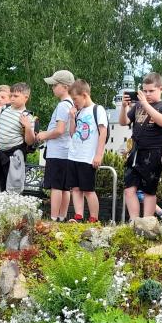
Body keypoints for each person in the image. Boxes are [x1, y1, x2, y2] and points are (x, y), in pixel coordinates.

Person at [119, 72, 162, 220]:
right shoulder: (137, 106)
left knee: (149, 190)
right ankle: (135, 221)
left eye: (151, 91)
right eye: (145, 91)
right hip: (135, 151)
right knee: (129, 188)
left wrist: (144, 104)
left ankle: (148, 222)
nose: (147, 94)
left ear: (161, 89)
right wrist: (124, 107)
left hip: (153, 152)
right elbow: (123, 122)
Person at [66, 79, 107, 223]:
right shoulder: (78, 112)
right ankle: (78, 216)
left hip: (87, 157)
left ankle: (93, 218)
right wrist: (72, 117)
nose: (74, 102)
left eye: (75, 99)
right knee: (75, 189)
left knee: (88, 190)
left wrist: (98, 154)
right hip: (74, 155)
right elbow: (72, 133)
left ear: (84, 95)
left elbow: (103, 132)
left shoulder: (98, 109)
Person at [38, 70, 75, 221]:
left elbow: (59, 130)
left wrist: (43, 135)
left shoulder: (62, 106)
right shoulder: (72, 104)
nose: (52, 88)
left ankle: (53, 218)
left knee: (56, 187)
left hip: (57, 151)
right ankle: (62, 216)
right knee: (65, 187)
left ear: (65, 87)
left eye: (55, 85)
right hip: (67, 151)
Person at [0, 82, 35, 194]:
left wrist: (28, 127)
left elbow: (30, 141)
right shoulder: (4, 109)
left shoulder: (27, 116)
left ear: (25, 98)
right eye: (11, 96)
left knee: (13, 186)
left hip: (13, 156)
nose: (12, 98)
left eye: (16, 96)